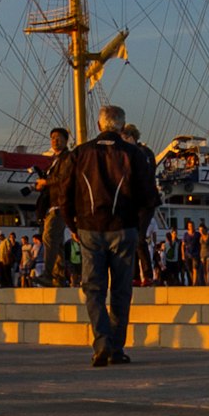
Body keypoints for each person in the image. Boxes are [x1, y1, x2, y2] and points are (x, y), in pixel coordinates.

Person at [53, 112, 159, 366]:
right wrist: (139, 230)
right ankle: (116, 347)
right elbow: (149, 197)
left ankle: (101, 343)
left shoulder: (80, 153)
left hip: (89, 228)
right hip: (124, 228)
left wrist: (72, 225)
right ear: (122, 126)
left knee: (93, 288)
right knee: (121, 290)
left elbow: (63, 193)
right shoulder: (133, 154)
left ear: (99, 124)